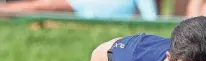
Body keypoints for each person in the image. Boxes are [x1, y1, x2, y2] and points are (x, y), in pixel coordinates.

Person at [0, 0, 158, 20]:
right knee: (43, 7)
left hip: (92, 9)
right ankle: (4, 11)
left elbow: (151, 18)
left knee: (43, 7)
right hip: (87, 5)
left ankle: (5, 11)